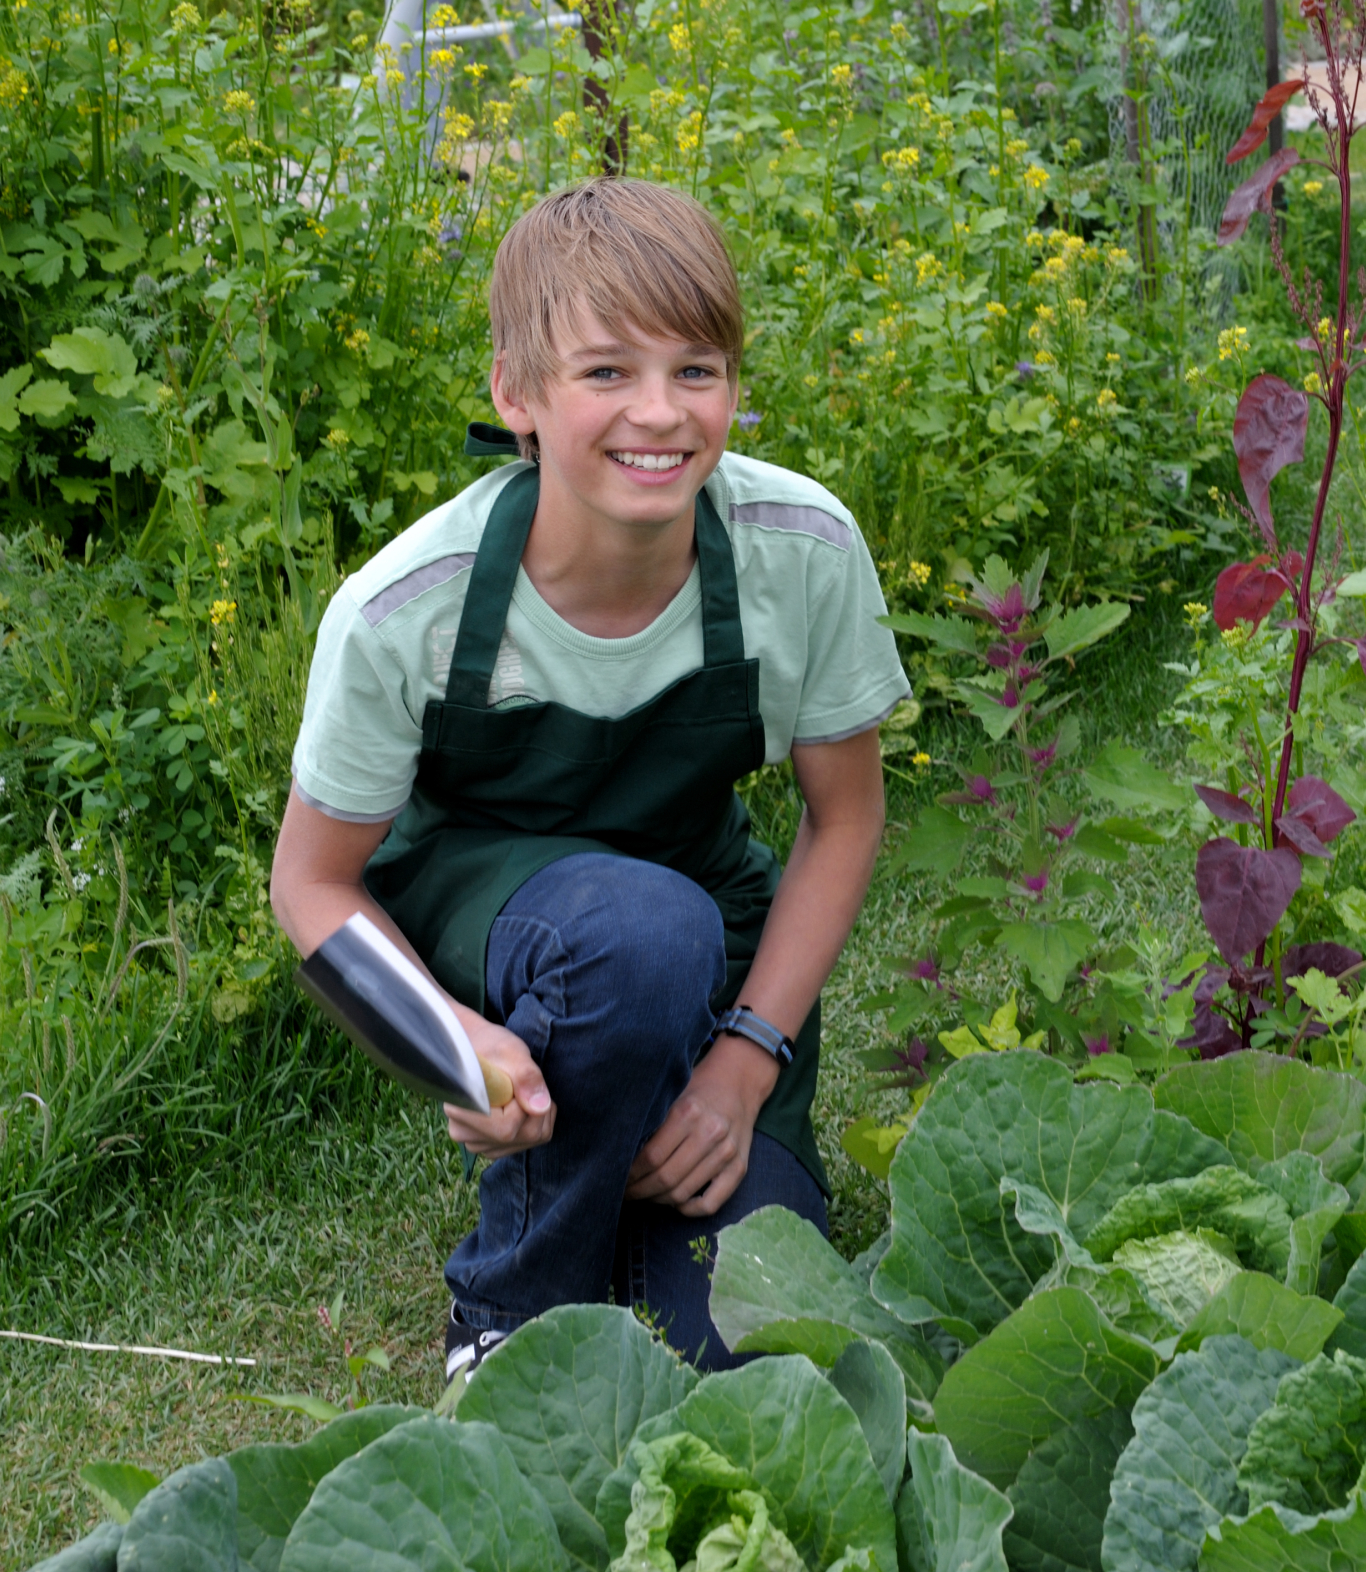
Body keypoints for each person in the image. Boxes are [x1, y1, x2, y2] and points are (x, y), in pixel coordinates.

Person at [269, 177, 905, 1379]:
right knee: (633, 935)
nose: (658, 415)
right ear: (518, 394)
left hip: (716, 949)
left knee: (759, 1353)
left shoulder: (800, 552)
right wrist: (451, 1045)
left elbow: (845, 816)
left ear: (735, 386)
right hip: (499, 922)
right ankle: (511, 1313)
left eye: (696, 370)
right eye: (606, 372)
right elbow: (310, 885)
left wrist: (744, 1060)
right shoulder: (407, 606)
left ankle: (626, 1154)